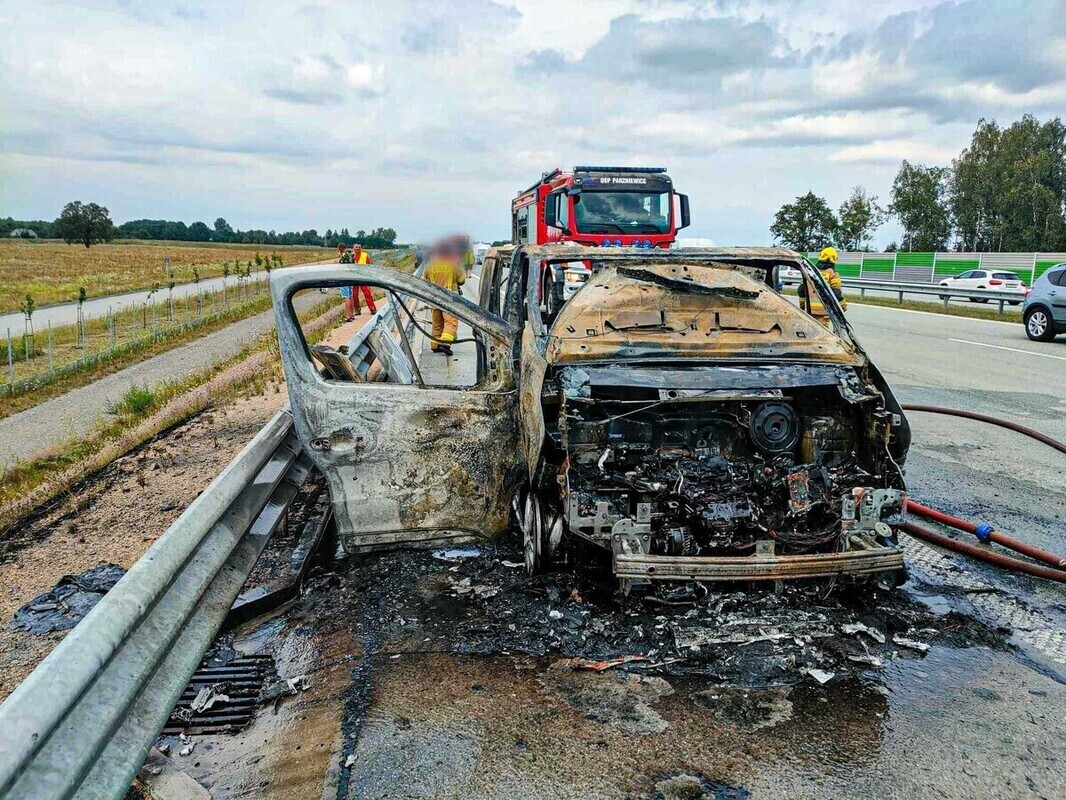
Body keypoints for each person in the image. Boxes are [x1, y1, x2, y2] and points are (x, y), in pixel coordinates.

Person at [423, 243, 466, 356]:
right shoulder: (452, 265)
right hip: (449, 299)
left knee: (437, 323)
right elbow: (462, 280)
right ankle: (445, 344)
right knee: (451, 322)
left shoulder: (430, 266)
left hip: (434, 298)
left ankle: (435, 345)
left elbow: (424, 280)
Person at [797, 246, 847, 326]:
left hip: (809, 311)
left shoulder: (809, 271)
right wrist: (843, 306)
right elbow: (837, 293)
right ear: (834, 259)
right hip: (824, 312)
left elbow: (801, 290)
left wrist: (802, 306)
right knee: (822, 336)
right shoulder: (833, 274)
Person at [350, 244, 376, 316]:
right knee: (354, 295)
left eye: (359, 247)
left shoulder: (364, 255)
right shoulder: (350, 256)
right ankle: (357, 309)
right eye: (356, 247)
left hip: (363, 277)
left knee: (367, 293)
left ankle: (372, 308)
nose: (358, 248)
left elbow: (369, 265)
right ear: (353, 248)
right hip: (354, 278)